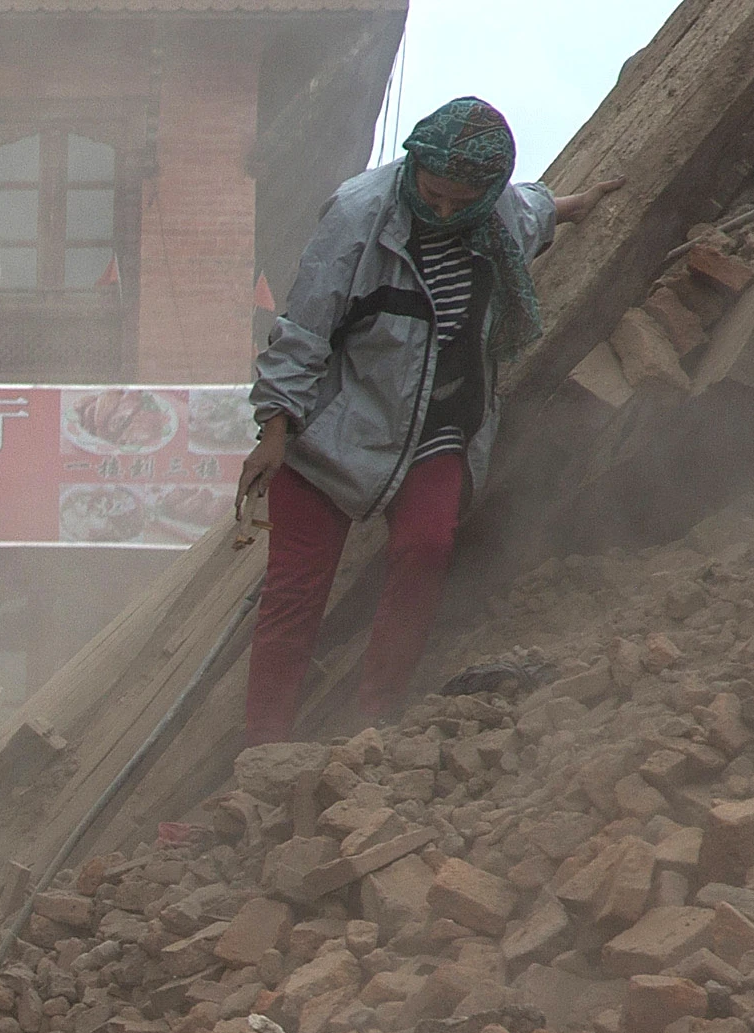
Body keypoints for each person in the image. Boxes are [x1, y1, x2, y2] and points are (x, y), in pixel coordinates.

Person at [238, 97, 623, 744]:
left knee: (427, 548)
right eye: (432, 194)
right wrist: (274, 427)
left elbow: (531, 211)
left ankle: (374, 721)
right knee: (293, 592)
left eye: (459, 202)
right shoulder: (358, 216)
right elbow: (302, 329)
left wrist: (571, 205)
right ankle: (261, 749)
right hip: (340, 418)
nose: (442, 210)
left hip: (439, 422)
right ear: (414, 168)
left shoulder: (497, 216)